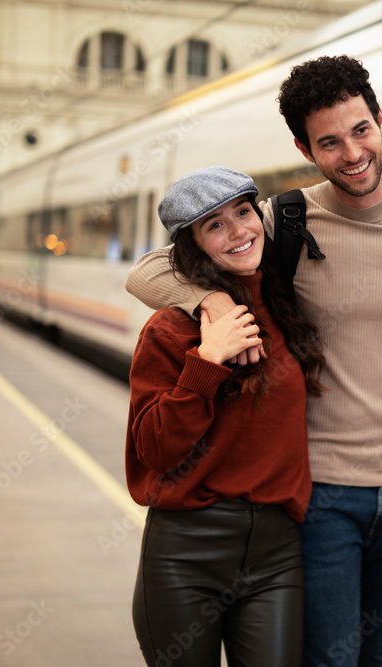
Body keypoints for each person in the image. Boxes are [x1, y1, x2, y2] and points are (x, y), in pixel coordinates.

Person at [126, 55, 382, 666]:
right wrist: (213, 304)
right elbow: (148, 271)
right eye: (329, 142)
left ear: (380, 121)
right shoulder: (284, 222)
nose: (352, 153)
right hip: (322, 492)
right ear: (305, 148)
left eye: (361, 131)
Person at [125, 166, 326, 667]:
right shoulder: (170, 330)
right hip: (186, 553)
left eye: (243, 212)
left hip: (277, 552)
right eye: (214, 225)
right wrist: (206, 361)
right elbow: (154, 449)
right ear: (192, 247)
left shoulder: (285, 305)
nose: (239, 231)